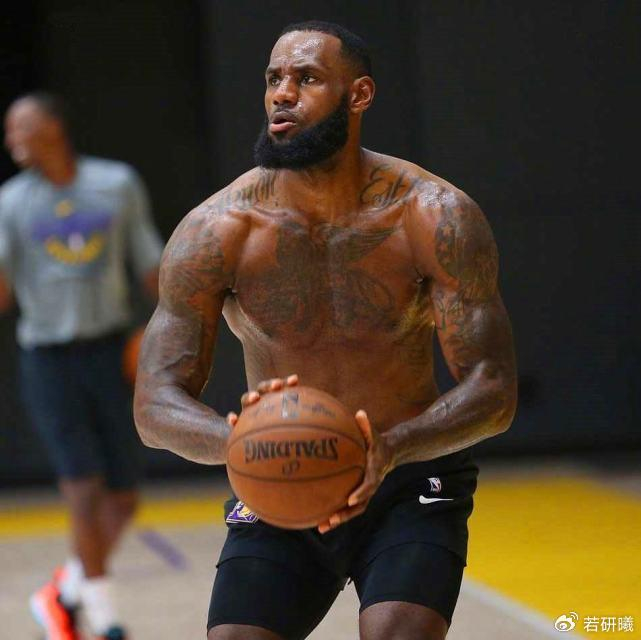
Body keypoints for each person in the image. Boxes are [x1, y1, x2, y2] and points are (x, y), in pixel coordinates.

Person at [134, 20, 517, 640]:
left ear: (358, 95)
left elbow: (494, 390)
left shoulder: (433, 215)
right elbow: (154, 405)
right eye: (274, 79)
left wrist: (393, 445)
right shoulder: (216, 230)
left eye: (307, 78)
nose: (282, 94)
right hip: (279, 475)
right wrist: (240, 441)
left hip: (408, 475)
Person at [0, 92, 164, 640]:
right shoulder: (10, 201)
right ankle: (104, 617)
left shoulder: (115, 184)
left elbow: (151, 268)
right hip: (48, 359)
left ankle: (62, 593)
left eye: (20, 127)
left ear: (53, 126)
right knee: (82, 488)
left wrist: (159, 332)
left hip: (110, 350)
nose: (12, 139)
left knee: (124, 495)